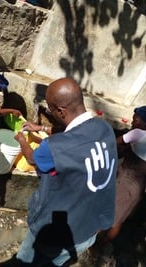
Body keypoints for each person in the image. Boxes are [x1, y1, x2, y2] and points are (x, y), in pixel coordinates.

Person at [10, 77, 118, 266]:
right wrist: (41, 128)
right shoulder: (104, 129)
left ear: (60, 111)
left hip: (55, 233)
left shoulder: (52, 147)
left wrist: (22, 140)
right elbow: (75, 132)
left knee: (25, 262)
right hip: (91, 228)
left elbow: (32, 159)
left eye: (51, 110)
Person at [100, 105, 146, 243]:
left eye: (135, 120)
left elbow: (112, 143)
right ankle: (102, 245)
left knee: (107, 214)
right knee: (119, 219)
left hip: (124, 181)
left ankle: (93, 242)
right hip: (138, 188)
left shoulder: (137, 133)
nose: (132, 123)